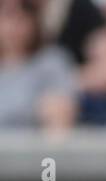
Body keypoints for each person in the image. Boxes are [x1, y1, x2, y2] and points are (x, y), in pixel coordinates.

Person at [0, 0, 78, 130]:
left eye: (21, 19)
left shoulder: (52, 62)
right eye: (7, 17)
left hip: (32, 146)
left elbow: (60, 115)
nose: (13, 27)